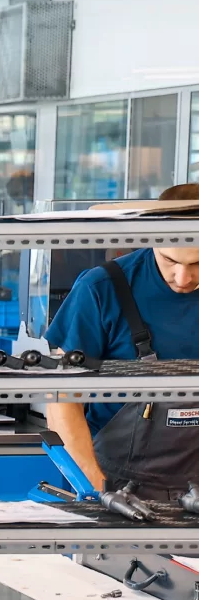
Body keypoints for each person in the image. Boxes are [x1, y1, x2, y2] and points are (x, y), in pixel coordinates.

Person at [42, 182, 199, 498]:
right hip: (115, 486)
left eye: (197, 264)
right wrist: (98, 493)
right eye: (170, 261)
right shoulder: (102, 289)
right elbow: (61, 401)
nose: (183, 278)